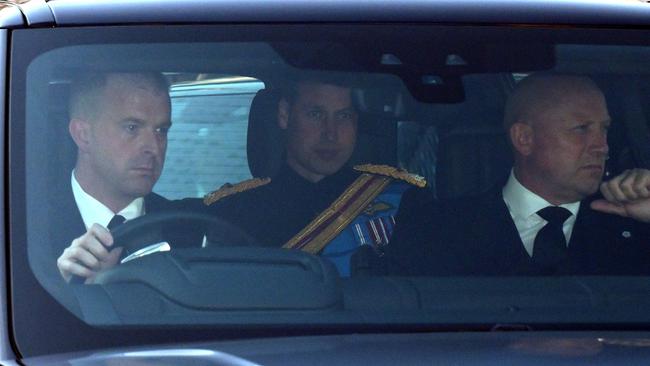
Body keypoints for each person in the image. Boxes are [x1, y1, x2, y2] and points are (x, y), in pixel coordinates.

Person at [385, 73, 650, 276]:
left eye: (604, 130)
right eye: (582, 129)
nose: (602, 147)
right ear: (524, 138)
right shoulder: (434, 231)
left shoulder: (634, 228)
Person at [204, 77, 426, 276]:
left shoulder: (402, 202)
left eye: (344, 116)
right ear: (284, 115)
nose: (331, 133)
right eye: (316, 114)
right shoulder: (234, 213)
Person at [54, 72, 173, 283]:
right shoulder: (20, 231)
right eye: (132, 128)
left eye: (161, 130)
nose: (154, 148)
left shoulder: (189, 229)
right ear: (83, 135)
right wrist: (59, 286)